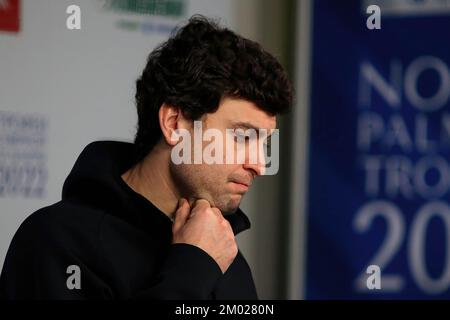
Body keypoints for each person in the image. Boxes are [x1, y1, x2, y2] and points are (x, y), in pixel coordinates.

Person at [0, 15, 293, 299]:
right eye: (243, 137)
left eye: (264, 144)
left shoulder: (226, 256)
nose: (258, 164)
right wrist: (193, 268)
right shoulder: (55, 243)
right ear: (175, 124)